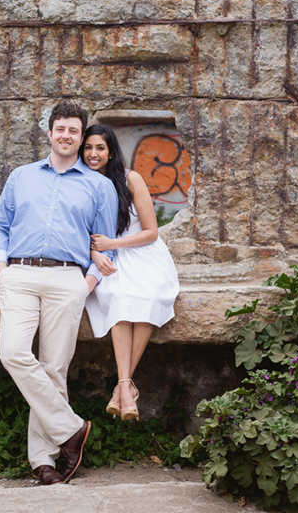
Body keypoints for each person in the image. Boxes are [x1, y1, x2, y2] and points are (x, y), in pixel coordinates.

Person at [0, 103, 118, 486]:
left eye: (73, 131)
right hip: (20, 273)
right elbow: (0, 225)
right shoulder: (21, 176)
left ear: (81, 138)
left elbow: (106, 245)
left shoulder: (99, 186)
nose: (66, 136)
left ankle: (43, 460)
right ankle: (71, 430)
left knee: (53, 368)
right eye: (60, 129)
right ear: (49, 133)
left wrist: (88, 283)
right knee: (12, 352)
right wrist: (2, 270)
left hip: (69, 280)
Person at [81, 124, 179, 422]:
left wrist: (112, 243)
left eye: (100, 147)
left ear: (111, 152)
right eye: (88, 147)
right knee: (118, 295)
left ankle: (121, 387)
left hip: (142, 253)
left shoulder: (130, 178)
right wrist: (95, 253)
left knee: (148, 295)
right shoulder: (79, 183)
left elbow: (150, 232)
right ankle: (126, 389)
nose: (93, 153)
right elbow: (73, 233)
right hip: (106, 258)